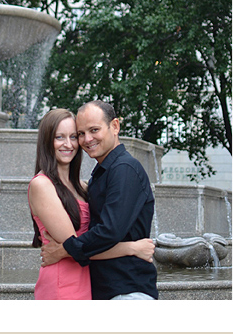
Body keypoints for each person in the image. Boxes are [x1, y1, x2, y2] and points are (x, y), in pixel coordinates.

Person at [28, 108, 155, 300]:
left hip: (94, 282)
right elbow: (74, 244)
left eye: (73, 136)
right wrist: (132, 248)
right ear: (47, 141)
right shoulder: (44, 184)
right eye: (59, 137)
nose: (70, 143)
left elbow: (85, 242)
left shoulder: (87, 184)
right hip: (64, 281)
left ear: (115, 126)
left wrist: (62, 251)